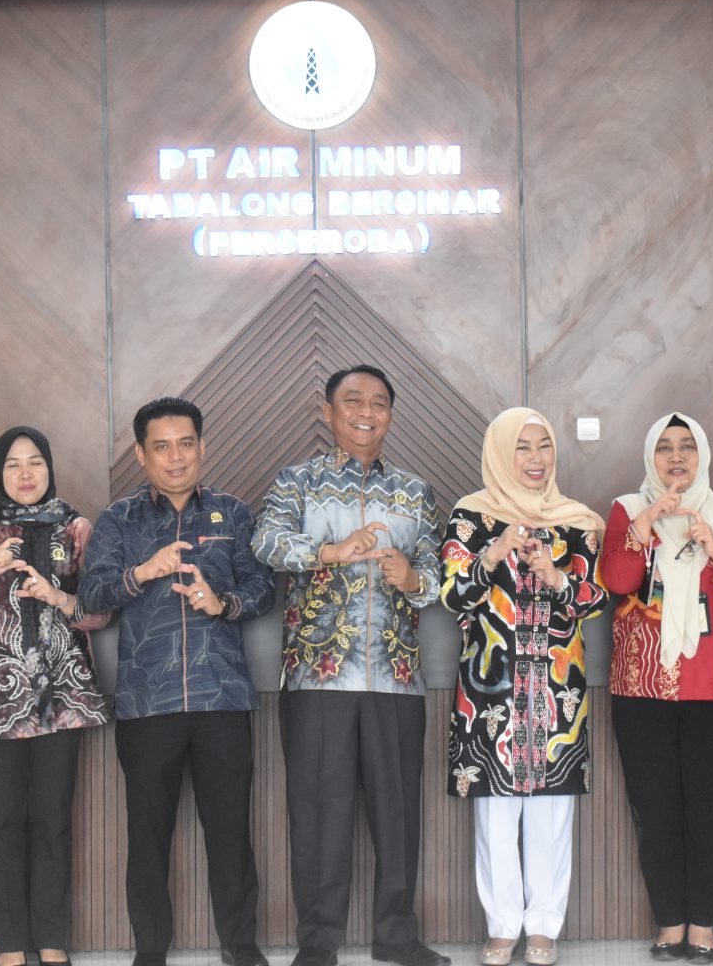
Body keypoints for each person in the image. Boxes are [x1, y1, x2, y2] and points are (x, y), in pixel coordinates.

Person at [252, 365, 449, 966]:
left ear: (390, 414)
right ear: (328, 412)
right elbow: (265, 542)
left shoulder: (415, 492)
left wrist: (412, 579)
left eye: (379, 403)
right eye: (354, 401)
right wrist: (331, 551)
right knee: (317, 812)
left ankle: (397, 936)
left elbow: (439, 575)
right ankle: (318, 941)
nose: (367, 413)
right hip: (317, 674)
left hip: (397, 677)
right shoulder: (297, 483)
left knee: (398, 813)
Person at [79, 397, 274, 966]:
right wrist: (143, 572)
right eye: (161, 446)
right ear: (142, 454)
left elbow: (263, 588)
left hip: (222, 697)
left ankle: (241, 946)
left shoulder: (233, 514)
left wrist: (223, 602)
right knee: (148, 836)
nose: (175, 457)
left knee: (230, 834)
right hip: (147, 702)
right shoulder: (119, 519)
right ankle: (150, 951)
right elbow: (91, 596)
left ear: (202, 447)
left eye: (185, 443)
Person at [598, 413, 713, 964]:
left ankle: (703, 924)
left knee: (711, 810)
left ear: (702, 456)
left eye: (687, 447)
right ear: (651, 457)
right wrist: (647, 522)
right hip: (640, 683)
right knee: (655, 810)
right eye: (665, 448)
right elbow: (618, 580)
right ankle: (669, 921)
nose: (676, 457)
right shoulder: (628, 509)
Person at [0, 427, 111, 966]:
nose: (26, 473)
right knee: (2, 822)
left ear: (49, 468)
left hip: (62, 702)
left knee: (53, 821)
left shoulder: (77, 529)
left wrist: (57, 596)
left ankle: (51, 938)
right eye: (13, 464)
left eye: (35, 461)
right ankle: (11, 941)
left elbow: (100, 612)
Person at [440, 408, 607, 966]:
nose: (536, 460)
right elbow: (452, 596)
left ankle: (543, 926)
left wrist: (555, 575)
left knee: (551, 814)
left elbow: (593, 601)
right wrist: (496, 551)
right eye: (522, 447)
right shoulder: (471, 517)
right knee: (495, 813)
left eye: (544, 446)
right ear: (500, 452)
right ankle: (503, 924)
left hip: (559, 687)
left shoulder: (577, 522)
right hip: (490, 689)